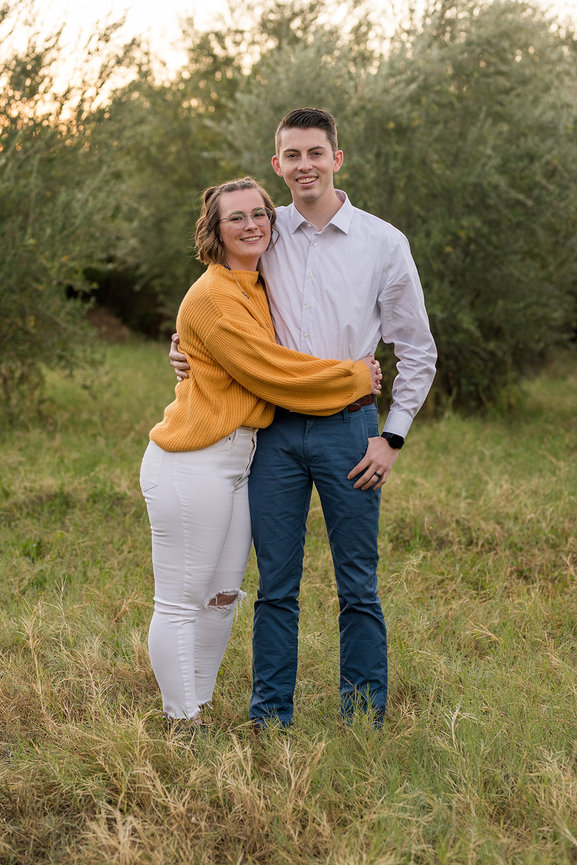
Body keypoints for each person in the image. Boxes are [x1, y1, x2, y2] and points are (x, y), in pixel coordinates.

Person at [170, 108, 437, 729]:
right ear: (277, 165)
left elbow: (417, 349)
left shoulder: (383, 242)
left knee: (358, 584)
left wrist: (391, 436)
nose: (304, 166)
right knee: (276, 586)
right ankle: (270, 718)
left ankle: (364, 718)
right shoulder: (264, 232)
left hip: (352, 429)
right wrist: (184, 345)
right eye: (292, 156)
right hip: (277, 434)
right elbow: (218, 300)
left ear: (336, 159)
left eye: (315, 153)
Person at [140, 175, 382, 726]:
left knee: (224, 594)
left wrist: (186, 350)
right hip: (192, 460)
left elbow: (287, 340)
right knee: (183, 599)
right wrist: (355, 376)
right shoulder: (212, 294)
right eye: (236, 218)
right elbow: (272, 370)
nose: (251, 225)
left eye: (259, 214)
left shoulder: (259, 283)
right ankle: (183, 724)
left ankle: (198, 704)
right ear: (215, 230)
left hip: (239, 460)